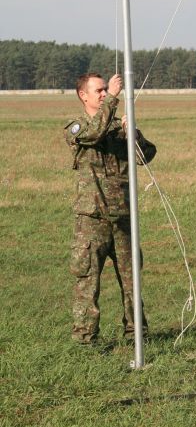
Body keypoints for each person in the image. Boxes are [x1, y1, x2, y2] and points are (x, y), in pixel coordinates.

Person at [64, 72, 156, 345]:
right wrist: (114, 99)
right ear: (83, 95)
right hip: (92, 220)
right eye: (99, 90)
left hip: (123, 218)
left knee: (131, 281)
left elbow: (146, 156)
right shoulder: (77, 127)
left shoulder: (117, 127)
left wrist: (134, 134)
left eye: (107, 89)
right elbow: (94, 134)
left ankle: (136, 334)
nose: (105, 93)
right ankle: (85, 339)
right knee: (87, 281)